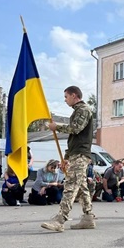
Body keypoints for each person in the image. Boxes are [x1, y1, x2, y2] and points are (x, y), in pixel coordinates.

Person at [41, 86, 96, 232]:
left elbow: (75, 128)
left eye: (66, 97)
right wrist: (66, 158)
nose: (65, 100)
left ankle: (60, 220)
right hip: (76, 153)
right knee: (82, 187)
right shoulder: (78, 111)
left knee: (70, 186)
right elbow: (74, 138)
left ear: (74, 95)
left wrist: (56, 126)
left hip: (80, 154)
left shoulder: (83, 110)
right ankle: (88, 217)